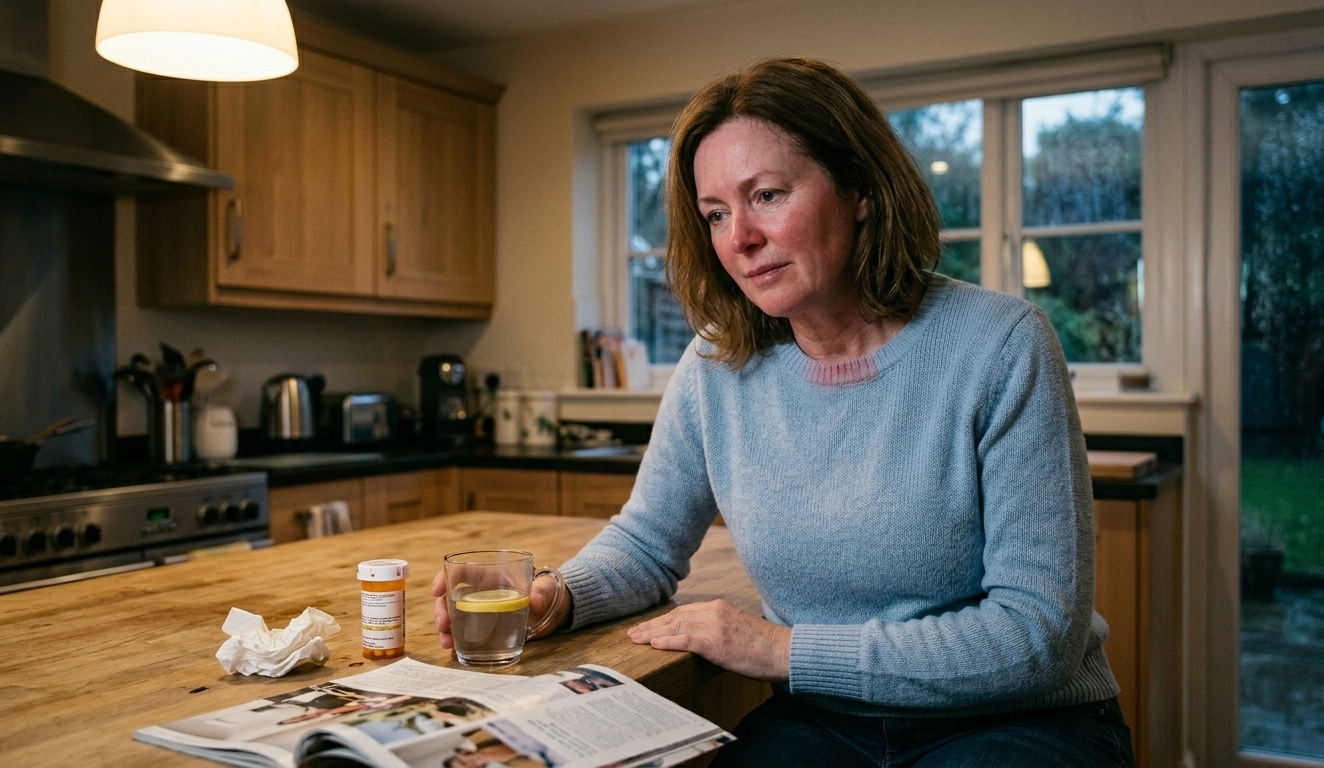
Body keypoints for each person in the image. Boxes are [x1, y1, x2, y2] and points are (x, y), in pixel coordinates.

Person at [434, 56, 1135, 767]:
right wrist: (559, 595)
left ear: (859, 188)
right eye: (715, 214)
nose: (739, 238)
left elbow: (1035, 636)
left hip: (1015, 723)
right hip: (827, 723)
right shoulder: (717, 365)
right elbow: (647, 546)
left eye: (766, 195)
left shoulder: (1002, 344)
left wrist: (778, 649)